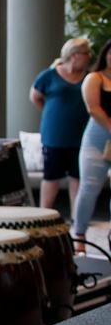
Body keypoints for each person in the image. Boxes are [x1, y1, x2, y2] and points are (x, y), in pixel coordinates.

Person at [31, 38, 92, 209]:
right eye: (86, 53)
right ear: (74, 55)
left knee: (77, 176)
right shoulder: (49, 75)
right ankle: (44, 214)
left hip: (81, 135)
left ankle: (76, 217)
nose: (88, 57)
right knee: (52, 176)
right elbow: (35, 96)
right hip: (54, 136)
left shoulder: (88, 77)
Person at [71, 39, 111, 248]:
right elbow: (93, 108)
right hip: (97, 139)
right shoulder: (94, 78)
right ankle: (79, 237)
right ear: (106, 54)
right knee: (89, 188)